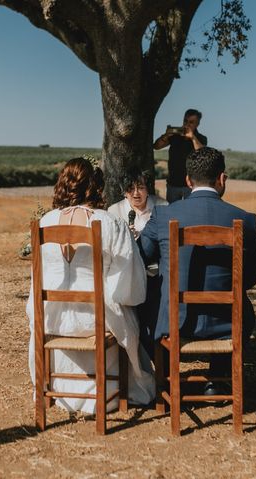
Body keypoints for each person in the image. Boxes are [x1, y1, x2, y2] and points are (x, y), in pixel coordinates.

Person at [26, 157, 155, 413]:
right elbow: (128, 283)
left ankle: (57, 389)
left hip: (51, 318)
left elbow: (36, 280)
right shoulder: (109, 222)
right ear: (95, 186)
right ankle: (112, 388)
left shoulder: (44, 222)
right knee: (126, 309)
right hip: (97, 321)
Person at [138, 147, 256, 396]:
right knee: (242, 303)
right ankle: (218, 379)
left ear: (187, 180)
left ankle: (167, 375)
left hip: (174, 322)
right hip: (227, 322)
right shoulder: (245, 220)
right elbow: (251, 278)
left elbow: (138, 258)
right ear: (222, 178)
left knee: (144, 302)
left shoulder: (163, 216)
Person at [108, 167, 168, 358]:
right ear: (124, 191)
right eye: (130, 189)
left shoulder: (163, 206)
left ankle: (155, 349)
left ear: (148, 189)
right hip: (126, 272)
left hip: (154, 272)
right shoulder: (114, 210)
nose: (135, 193)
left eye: (140, 187)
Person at [153, 108, 207, 203]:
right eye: (185, 121)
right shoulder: (175, 136)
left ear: (197, 124)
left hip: (191, 185)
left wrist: (193, 138)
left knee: (190, 213)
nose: (187, 124)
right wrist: (166, 135)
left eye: (191, 122)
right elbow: (156, 146)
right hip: (173, 184)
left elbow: (202, 153)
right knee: (173, 213)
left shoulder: (201, 138)